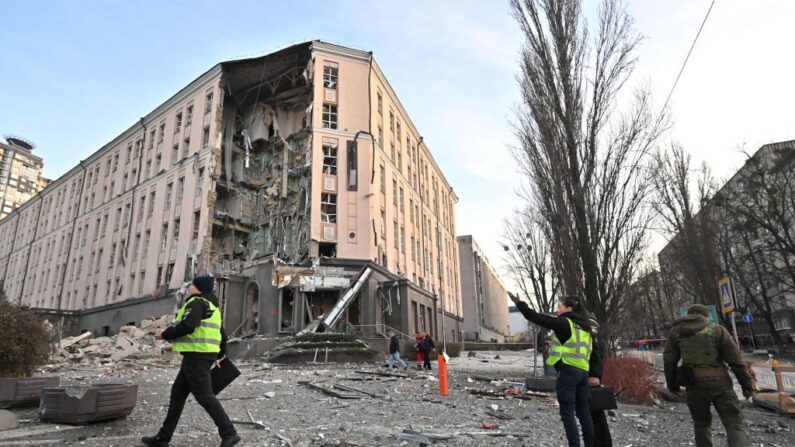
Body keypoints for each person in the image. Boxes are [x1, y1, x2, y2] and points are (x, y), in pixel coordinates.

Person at [142, 276, 240, 447]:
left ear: (200, 288)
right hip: (199, 356)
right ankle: (163, 438)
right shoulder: (212, 306)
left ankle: (229, 433)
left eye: (192, 285)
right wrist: (218, 356)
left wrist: (164, 335)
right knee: (177, 395)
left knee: (204, 396)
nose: (189, 287)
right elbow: (222, 335)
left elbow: (189, 326)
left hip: (197, 356)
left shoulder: (197, 302)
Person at [509, 292, 594, 447]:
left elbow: (535, 317)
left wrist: (519, 303)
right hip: (583, 373)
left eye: (560, 307)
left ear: (569, 308)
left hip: (568, 372)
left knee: (567, 414)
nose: (557, 310)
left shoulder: (564, 322)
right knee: (584, 414)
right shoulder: (585, 327)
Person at [664, 303, 755, 447]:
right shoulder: (717, 330)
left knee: (701, 425)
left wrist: (672, 385)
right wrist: (747, 384)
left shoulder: (676, 332)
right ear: (706, 316)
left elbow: (669, 361)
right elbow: (736, 361)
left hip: (694, 386)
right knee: (734, 423)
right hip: (721, 384)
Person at [587, 319, 612, 447]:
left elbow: (596, 356)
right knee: (593, 413)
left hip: (590, 379)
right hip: (590, 377)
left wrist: (594, 374)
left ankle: (602, 443)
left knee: (595, 413)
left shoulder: (591, 334)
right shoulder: (595, 335)